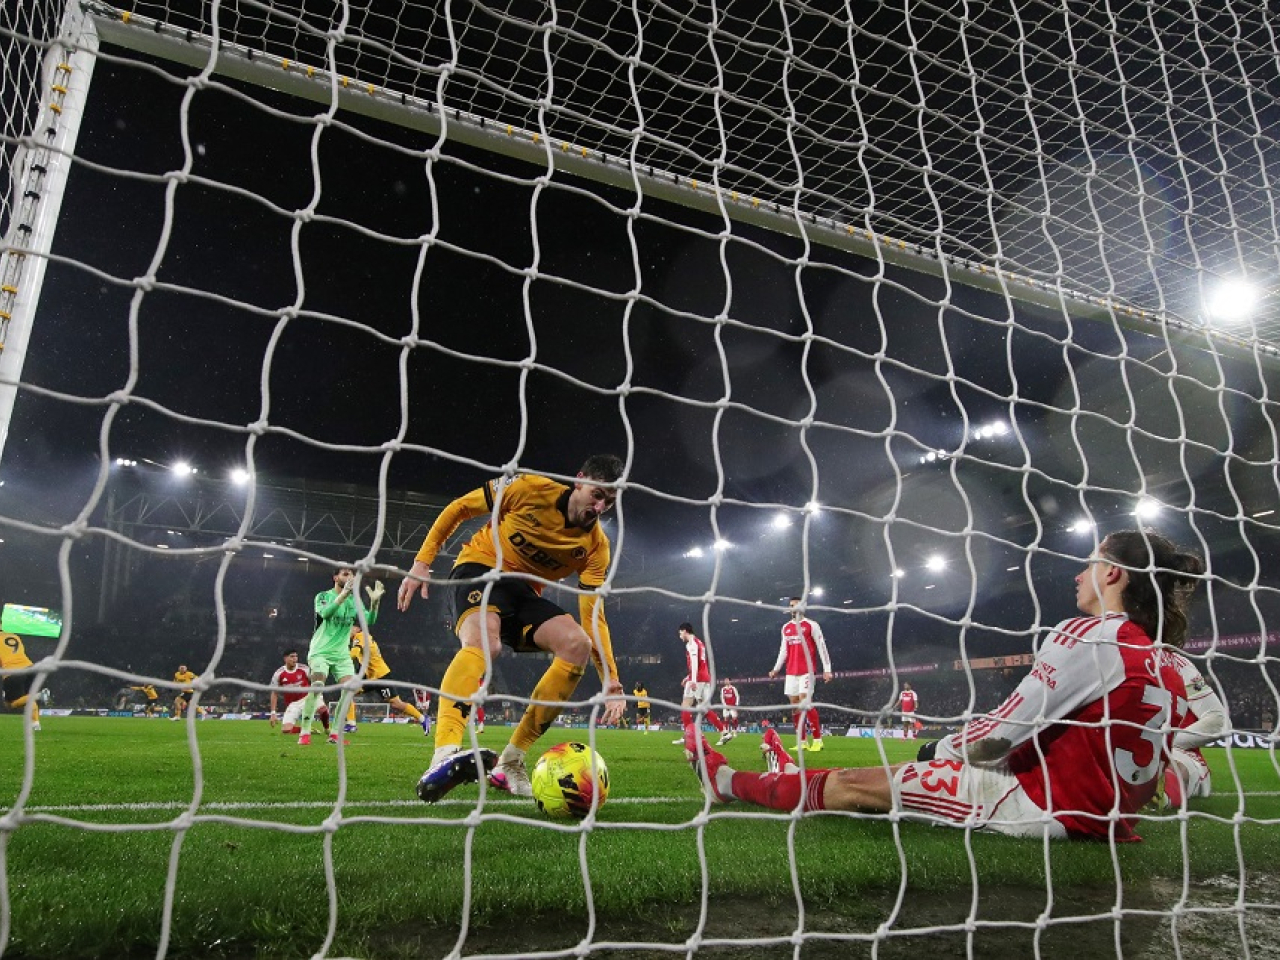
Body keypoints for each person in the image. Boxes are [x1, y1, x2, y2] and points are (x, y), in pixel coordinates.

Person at [687, 529, 1205, 842]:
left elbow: (999, 735)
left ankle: (729, 782)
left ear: (1113, 574)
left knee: (852, 782)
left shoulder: (1092, 634)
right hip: (1103, 813)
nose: (1079, 573)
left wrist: (939, 750)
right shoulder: (1168, 660)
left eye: (1091, 561)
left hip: (1040, 810)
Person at [398, 455, 627, 802]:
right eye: (596, 494)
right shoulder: (529, 488)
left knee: (576, 643)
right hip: (481, 567)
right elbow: (460, 507)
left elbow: (594, 616)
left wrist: (611, 678)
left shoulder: (596, 547)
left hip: (523, 593)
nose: (599, 506)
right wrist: (422, 560)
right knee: (485, 646)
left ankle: (511, 761)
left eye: (608, 502)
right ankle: (444, 753)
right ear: (578, 480)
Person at [297, 567, 383, 746]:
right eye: (345, 574)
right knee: (318, 685)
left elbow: (370, 621)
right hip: (320, 650)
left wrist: (374, 604)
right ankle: (305, 731)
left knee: (349, 690)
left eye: (351, 574)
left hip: (342, 654)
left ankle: (335, 734)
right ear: (335, 577)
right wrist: (343, 594)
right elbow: (326, 613)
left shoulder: (354, 601)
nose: (350, 576)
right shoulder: (322, 596)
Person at [1162, 650, 1230, 806]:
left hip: (1178, 753)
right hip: (1125, 750)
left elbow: (1219, 721)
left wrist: (1165, 742)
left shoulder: (1175, 663)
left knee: (1171, 766)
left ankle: (1162, 790)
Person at [769, 597, 833, 752]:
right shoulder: (786, 628)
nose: (793, 608)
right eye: (791, 606)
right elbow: (783, 650)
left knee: (805, 702)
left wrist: (827, 669)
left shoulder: (811, 625)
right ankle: (802, 741)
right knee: (795, 706)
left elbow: (821, 646)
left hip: (807, 671)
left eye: (796, 606)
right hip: (791, 672)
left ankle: (817, 740)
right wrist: (776, 668)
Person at [349, 626, 430, 733]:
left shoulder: (360, 636)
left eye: (349, 628)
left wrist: (338, 661)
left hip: (381, 676)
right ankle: (351, 724)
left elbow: (354, 654)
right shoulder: (363, 637)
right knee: (348, 693)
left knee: (396, 703)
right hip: (371, 677)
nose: (347, 631)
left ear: (356, 628)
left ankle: (423, 719)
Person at [675, 623, 731, 746]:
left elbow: (695, 663)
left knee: (685, 705)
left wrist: (693, 680)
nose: (680, 636)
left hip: (698, 679)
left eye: (680, 633)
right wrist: (688, 677)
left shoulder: (692, 644)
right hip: (704, 677)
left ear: (685, 631)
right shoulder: (699, 642)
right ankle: (724, 732)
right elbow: (700, 663)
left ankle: (689, 735)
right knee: (704, 708)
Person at [268, 649, 331, 735]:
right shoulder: (279, 674)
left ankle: (327, 729)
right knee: (286, 730)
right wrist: (273, 713)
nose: (295, 659)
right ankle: (308, 729)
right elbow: (274, 693)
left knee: (323, 710)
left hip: (308, 697)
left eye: (296, 656)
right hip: (293, 704)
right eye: (292, 656)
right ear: (285, 658)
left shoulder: (304, 669)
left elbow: (315, 681)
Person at [2, 632, 41, 731]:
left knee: (10, 705)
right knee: (27, 698)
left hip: (13, 672)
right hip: (30, 668)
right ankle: (36, 723)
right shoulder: (14, 636)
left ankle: (40, 696)